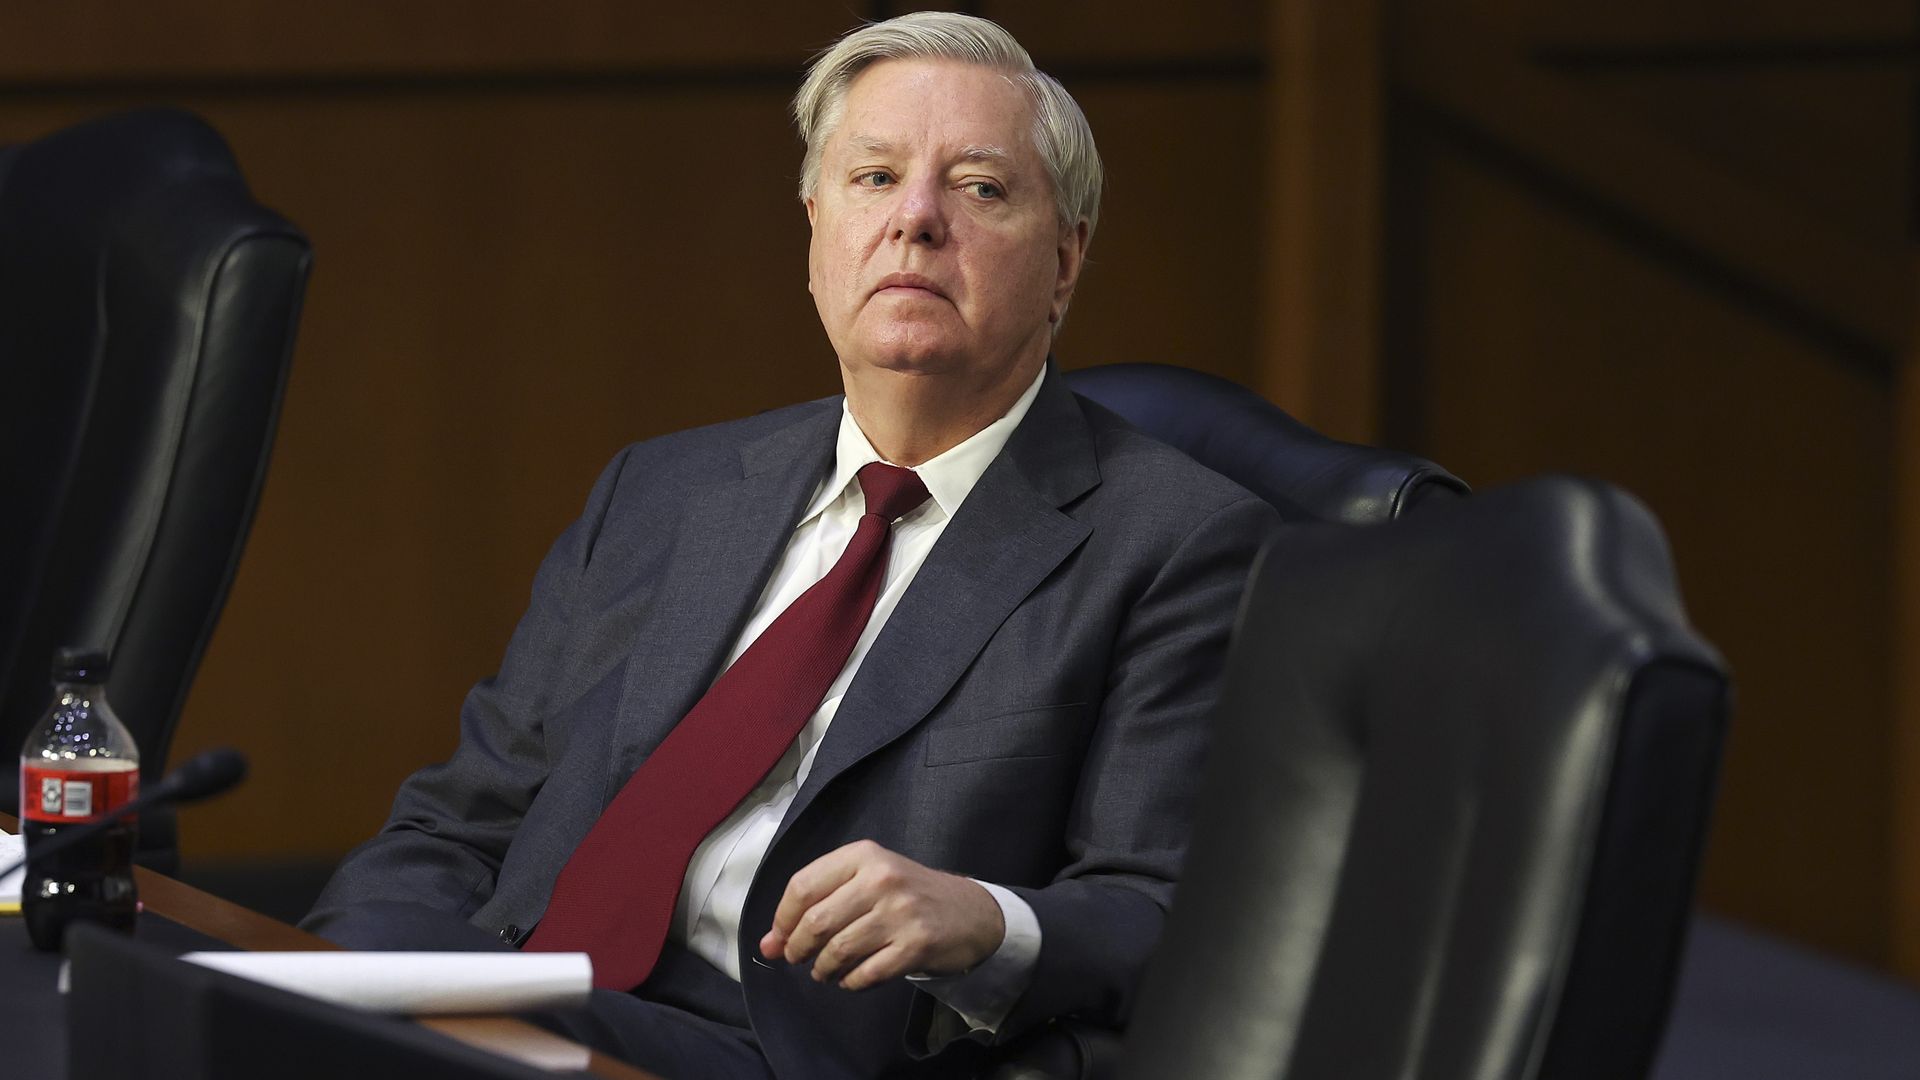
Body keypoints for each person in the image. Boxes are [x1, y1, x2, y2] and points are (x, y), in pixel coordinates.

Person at [304, 12, 1280, 1079]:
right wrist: (331, 966)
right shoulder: (662, 489)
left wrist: (989, 921)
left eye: (981, 189)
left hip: (775, 1047)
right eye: (873, 178)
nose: (915, 219)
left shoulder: (1179, 546)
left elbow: (1168, 914)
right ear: (815, 229)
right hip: (506, 992)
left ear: (1065, 261)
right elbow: (459, 820)